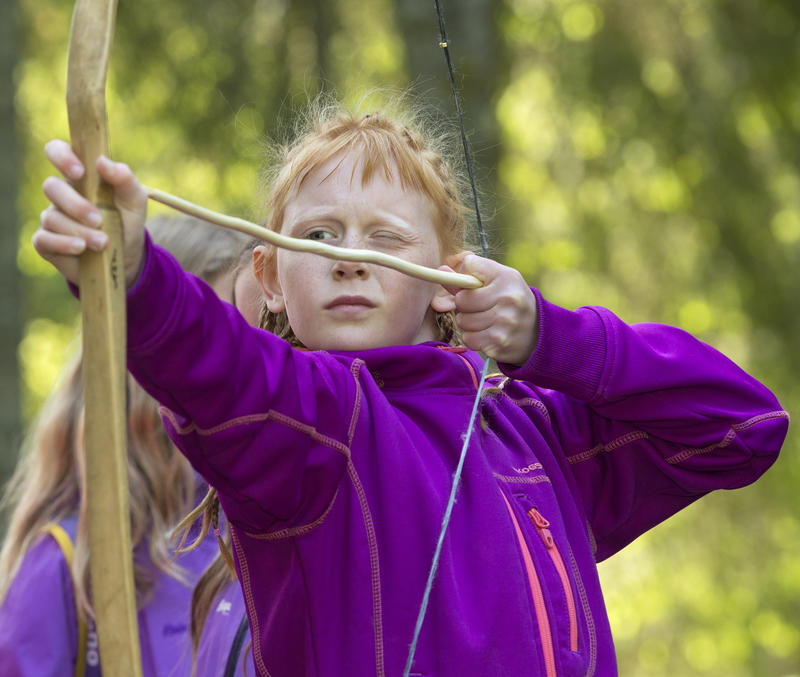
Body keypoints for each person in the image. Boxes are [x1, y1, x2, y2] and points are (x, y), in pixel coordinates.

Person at [34, 105, 789, 677]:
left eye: (385, 237)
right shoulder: (311, 426)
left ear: (448, 281)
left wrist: (549, 338)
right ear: (268, 279)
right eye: (320, 235)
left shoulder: (538, 436)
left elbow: (741, 422)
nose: (348, 258)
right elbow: (220, 365)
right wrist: (132, 269)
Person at [0, 215, 252, 676]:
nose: (239, 362)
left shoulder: (265, 532)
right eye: (210, 336)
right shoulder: (68, 565)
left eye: (252, 339)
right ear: (141, 359)